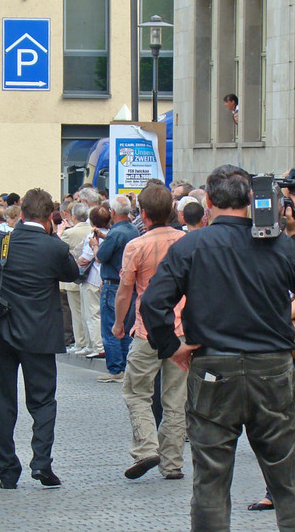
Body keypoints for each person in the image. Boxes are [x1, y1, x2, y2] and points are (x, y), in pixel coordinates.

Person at [140, 164, 295, 531]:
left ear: (208, 201)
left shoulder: (193, 244)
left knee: (210, 481)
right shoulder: (278, 243)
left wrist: (171, 347)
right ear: (252, 200)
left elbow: (154, 303)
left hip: (214, 367)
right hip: (271, 367)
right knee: (288, 480)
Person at [0, 188, 80, 490]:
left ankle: (7, 470)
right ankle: (41, 463)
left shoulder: (0, 241)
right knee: (42, 402)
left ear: (21, 213)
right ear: (50, 216)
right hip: (40, 334)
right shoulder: (53, 247)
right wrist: (54, 237)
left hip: (2, 333)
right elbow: (73, 274)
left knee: (1, 401)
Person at [112, 183, 187, 480]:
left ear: (142, 213)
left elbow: (124, 291)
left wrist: (119, 323)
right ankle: (173, 463)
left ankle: (146, 448)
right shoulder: (185, 241)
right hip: (181, 328)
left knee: (136, 391)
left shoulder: (137, 245)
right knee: (175, 399)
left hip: (147, 330)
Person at [96, 195, 138, 381]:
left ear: (113, 212)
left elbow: (102, 256)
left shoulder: (115, 233)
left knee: (110, 326)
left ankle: (115, 368)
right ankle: (127, 365)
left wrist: (95, 246)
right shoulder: (133, 230)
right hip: (130, 282)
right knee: (126, 325)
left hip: (113, 282)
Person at [62, 203, 97, 356]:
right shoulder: (92, 230)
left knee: (77, 313)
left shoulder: (69, 232)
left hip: (74, 275)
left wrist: (60, 231)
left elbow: (58, 247)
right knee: (87, 313)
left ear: (74, 216)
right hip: (89, 275)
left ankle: (80, 342)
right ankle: (87, 342)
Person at [78, 206, 110, 361]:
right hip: (103, 278)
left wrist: (79, 259)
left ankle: (97, 346)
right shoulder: (110, 234)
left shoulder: (93, 236)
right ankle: (93, 345)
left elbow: (86, 257)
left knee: (91, 314)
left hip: (92, 278)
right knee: (94, 313)